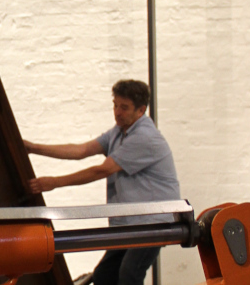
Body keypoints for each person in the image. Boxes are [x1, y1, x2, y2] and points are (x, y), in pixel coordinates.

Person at [25, 79, 179, 285]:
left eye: (124, 107)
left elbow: (101, 170)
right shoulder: (118, 132)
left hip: (153, 222)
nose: (117, 112)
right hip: (130, 224)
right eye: (115, 105)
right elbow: (81, 150)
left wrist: (54, 182)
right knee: (104, 276)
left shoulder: (145, 137)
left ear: (141, 110)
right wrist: (34, 148)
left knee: (129, 274)